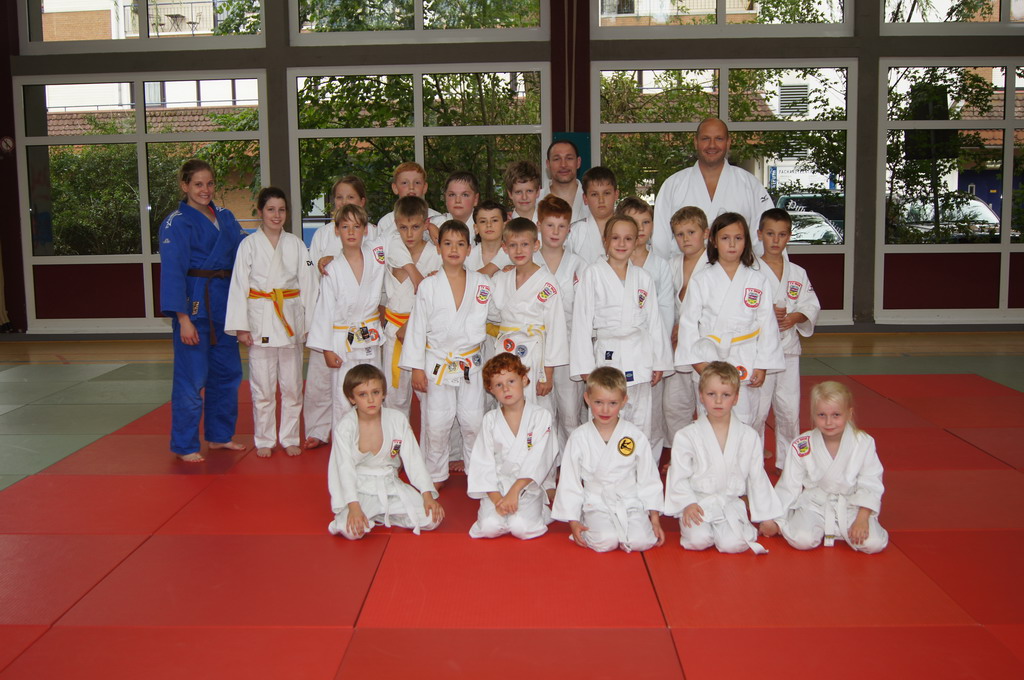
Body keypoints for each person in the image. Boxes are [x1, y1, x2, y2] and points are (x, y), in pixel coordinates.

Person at [159, 159, 247, 462]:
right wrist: (182, 319)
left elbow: (247, 252)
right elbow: (173, 272)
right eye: (198, 184)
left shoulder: (225, 217)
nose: (205, 189)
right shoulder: (175, 223)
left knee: (227, 375)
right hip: (194, 307)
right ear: (184, 186)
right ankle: (185, 445)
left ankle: (220, 436)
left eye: (209, 183)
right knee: (192, 379)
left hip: (225, 306)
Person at [225, 187, 316, 458]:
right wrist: (241, 326)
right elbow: (239, 285)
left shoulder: (296, 244)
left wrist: (309, 325)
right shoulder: (249, 245)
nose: (277, 215)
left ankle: (289, 437)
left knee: (292, 387)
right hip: (261, 319)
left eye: (281, 210)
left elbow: (309, 285)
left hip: (289, 320)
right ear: (260, 212)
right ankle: (264, 438)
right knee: (262, 388)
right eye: (271, 209)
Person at [571, 214, 672, 455]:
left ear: (637, 241)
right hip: (608, 354)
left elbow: (654, 322)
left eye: (628, 238)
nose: (621, 243)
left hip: (640, 355)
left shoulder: (643, 277)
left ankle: (641, 467)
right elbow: (582, 321)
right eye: (615, 238)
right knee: (605, 416)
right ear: (605, 241)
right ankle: (603, 465)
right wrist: (585, 365)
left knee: (641, 419)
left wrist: (660, 361)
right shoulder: (593, 274)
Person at [402, 220, 492, 486]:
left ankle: (476, 473)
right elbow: (417, 328)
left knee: (473, 421)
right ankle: (436, 473)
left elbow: (499, 312)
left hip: (470, 362)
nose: (454, 249)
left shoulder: (482, 284)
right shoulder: (428, 286)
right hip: (438, 362)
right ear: (438, 248)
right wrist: (416, 368)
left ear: (469, 249)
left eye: (460, 244)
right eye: (448, 244)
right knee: (437, 422)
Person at [674, 212, 784, 427]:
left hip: (746, 358)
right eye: (725, 238)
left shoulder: (758, 280)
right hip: (709, 359)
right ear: (714, 241)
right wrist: (698, 364)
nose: (732, 244)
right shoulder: (701, 280)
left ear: (746, 241)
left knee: (746, 420)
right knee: (709, 420)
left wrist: (762, 365)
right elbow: (688, 324)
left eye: (738, 238)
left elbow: (767, 325)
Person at [664, 361, 783, 554]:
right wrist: (687, 503)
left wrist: (767, 517)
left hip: (729, 503)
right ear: (701, 396)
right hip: (698, 503)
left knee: (733, 545)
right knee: (698, 540)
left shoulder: (748, 435)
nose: (718, 401)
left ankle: (734, 526)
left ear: (736, 398)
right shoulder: (686, 435)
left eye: (726, 395)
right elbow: (678, 474)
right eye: (711, 394)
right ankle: (699, 523)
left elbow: (757, 477)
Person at [760, 381, 889, 553]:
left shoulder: (863, 443)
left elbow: (870, 482)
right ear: (813, 415)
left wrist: (862, 518)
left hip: (852, 506)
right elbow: (789, 485)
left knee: (874, 544)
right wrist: (774, 519)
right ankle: (796, 522)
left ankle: (854, 524)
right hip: (814, 505)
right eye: (821, 415)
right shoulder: (802, 444)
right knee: (802, 540)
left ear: (849, 414)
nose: (829, 422)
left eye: (836, 415)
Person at [551, 367, 665, 553]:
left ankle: (629, 527)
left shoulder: (633, 435)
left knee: (642, 542)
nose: (605, 410)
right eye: (598, 402)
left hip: (629, 500)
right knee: (605, 542)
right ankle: (591, 521)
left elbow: (648, 477)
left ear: (624, 401)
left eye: (612, 403)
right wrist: (573, 521)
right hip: (595, 502)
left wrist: (654, 518)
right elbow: (570, 481)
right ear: (587, 399)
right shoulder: (579, 437)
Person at [326, 365, 444, 539]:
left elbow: (413, 459)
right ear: (352, 398)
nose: (371, 399)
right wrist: (354, 507)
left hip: (390, 484)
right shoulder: (346, 427)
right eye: (362, 395)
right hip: (360, 489)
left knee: (432, 518)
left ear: (383, 394)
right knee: (351, 531)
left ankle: (382, 513)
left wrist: (427, 495)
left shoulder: (397, 419)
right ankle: (373, 512)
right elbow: (344, 469)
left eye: (375, 392)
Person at [304, 175, 372, 449]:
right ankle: (318, 429)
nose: (344, 202)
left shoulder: (373, 234)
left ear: (362, 202)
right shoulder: (323, 234)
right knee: (320, 381)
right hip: (328, 318)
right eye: (339, 198)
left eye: (350, 197)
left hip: (363, 321)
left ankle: (366, 432)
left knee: (364, 381)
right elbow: (311, 276)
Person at [306, 203, 386, 427]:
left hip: (369, 337)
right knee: (343, 398)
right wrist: (327, 349)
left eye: (357, 226)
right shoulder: (332, 269)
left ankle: (372, 442)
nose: (351, 232)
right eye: (345, 227)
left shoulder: (376, 254)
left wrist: (431, 228)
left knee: (373, 394)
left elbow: (401, 233)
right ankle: (344, 446)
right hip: (342, 342)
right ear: (336, 230)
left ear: (366, 230)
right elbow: (324, 310)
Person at [753, 208, 821, 466]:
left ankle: (789, 464)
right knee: (757, 410)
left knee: (789, 410)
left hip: (789, 349)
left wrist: (796, 317)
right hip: (759, 351)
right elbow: (741, 309)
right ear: (760, 234)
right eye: (770, 234)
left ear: (789, 236)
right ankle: (752, 462)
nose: (775, 240)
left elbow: (810, 305)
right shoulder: (750, 271)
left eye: (782, 235)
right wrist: (766, 313)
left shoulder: (798, 273)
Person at [651, 118, 773, 257]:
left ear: (728, 142)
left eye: (719, 139)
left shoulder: (750, 184)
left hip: (737, 270)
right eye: (705, 139)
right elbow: (660, 242)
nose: (712, 145)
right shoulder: (673, 185)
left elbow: (768, 235)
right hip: (683, 270)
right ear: (696, 142)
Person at [467, 353, 556, 540]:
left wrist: (514, 492)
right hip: (497, 486)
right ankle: (505, 509)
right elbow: (482, 461)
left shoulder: (541, 416)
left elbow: (539, 458)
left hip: (526, 486)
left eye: (511, 381)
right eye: (499, 385)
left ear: (524, 380)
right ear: (491, 389)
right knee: (489, 528)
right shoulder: (490, 420)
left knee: (520, 528)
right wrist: (497, 499)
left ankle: (540, 511)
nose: (506, 389)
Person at [489, 217, 570, 413]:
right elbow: (491, 313)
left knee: (536, 409)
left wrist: (547, 373)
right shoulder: (501, 279)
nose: (519, 250)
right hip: (506, 350)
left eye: (524, 244)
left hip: (534, 354)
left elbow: (556, 328)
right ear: (504, 248)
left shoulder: (547, 283)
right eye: (513, 245)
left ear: (536, 245)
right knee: (506, 405)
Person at [621, 196, 675, 455]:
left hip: (650, 347)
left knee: (651, 412)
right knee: (618, 407)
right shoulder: (609, 262)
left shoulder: (660, 265)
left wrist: (658, 355)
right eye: (634, 222)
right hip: (618, 348)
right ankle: (618, 463)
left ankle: (649, 464)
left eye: (646, 222)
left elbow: (665, 311)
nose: (640, 228)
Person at [534, 195, 586, 449]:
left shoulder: (579, 264)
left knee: (569, 413)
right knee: (540, 413)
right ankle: (543, 466)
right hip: (536, 347)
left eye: (561, 226)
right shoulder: (527, 261)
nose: (555, 232)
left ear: (569, 229)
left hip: (568, 345)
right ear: (538, 226)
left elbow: (585, 311)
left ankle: (572, 464)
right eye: (549, 225)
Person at [382, 196, 442, 417]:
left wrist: (412, 324)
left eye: (415, 227)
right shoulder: (390, 248)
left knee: (430, 398)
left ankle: (430, 442)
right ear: (395, 226)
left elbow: (439, 300)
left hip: (425, 333)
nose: (409, 234)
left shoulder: (437, 254)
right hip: (394, 330)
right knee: (395, 396)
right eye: (403, 228)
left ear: (426, 224)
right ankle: (395, 439)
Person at [663, 206, 712, 445]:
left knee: (707, 405)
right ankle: (680, 453)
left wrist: (685, 328)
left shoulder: (715, 265)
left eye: (691, 232)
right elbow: (663, 304)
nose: (685, 239)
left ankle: (707, 454)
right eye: (679, 234)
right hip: (676, 346)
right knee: (674, 405)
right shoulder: (671, 264)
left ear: (706, 233)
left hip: (706, 345)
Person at [566, 166, 619, 265]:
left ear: (616, 194)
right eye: (594, 194)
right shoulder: (575, 232)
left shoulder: (628, 229)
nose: (601, 200)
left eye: (606, 193)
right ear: (585, 198)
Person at [539, 139, 586, 223]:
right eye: (557, 159)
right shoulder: (535, 201)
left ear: (578, 162)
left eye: (569, 158)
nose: (563, 165)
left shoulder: (594, 200)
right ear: (548, 164)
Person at [465, 200, 513, 276]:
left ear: (504, 225)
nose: (489, 225)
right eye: (483, 221)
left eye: (494, 220)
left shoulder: (517, 253)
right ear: (476, 228)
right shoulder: (466, 257)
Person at [433, 171, 480, 236]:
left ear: (475, 199)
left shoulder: (485, 225)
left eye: (465, 195)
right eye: (452, 195)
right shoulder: (435, 224)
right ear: (445, 198)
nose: (457, 200)